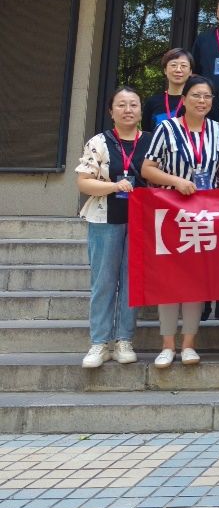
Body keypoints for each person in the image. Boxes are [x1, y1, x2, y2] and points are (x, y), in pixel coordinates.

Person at [140, 75, 219, 369]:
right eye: (196, 95)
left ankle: (189, 344)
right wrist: (176, 181)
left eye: (207, 96)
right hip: (171, 213)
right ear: (185, 99)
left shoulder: (218, 130)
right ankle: (167, 345)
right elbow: (147, 168)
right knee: (169, 281)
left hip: (203, 215)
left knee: (195, 281)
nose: (202, 101)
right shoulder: (167, 128)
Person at [74, 86, 152, 369]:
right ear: (111, 111)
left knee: (132, 282)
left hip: (141, 222)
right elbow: (83, 182)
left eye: (133, 104)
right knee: (103, 281)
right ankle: (99, 342)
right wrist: (114, 186)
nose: (128, 109)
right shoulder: (99, 142)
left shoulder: (151, 142)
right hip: (104, 219)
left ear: (141, 111)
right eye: (121, 104)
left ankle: (124, 340)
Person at [142, 47, 191, 130]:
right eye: (173, 65)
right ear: (165, 70)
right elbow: (147, 132)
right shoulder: (152, 102)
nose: (178, 70)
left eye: (183, 66)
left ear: (190, 71)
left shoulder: (195, 101)